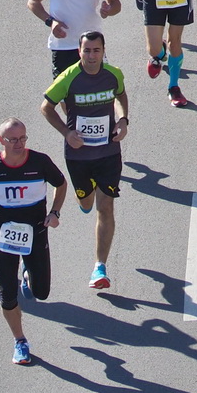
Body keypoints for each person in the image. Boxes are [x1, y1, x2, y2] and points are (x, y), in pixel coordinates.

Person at [0, 118, 67, 366]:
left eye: (23, 138)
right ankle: (20, 341)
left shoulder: (40, 162)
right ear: (1, 141)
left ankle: (27, 275)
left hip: (36, 231)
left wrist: (54, 212)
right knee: (7, 296)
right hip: (5, 236)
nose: (19, 144)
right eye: (13, 140)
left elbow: (61, 183)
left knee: (41, 293)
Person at [40, 30, 127, 293]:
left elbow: (121, 95)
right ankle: (83, 199)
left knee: (106, 207)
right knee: (87, 202)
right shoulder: (68, 79)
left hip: (109, 152)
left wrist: (123, 120)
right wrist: (67, 133)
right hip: (78, 155)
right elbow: (45, 107)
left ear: (103, 51)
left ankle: (99, 267)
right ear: (79, 52)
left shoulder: (113, 74)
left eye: (96, 50)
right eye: (87, 50)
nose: (91, 56)